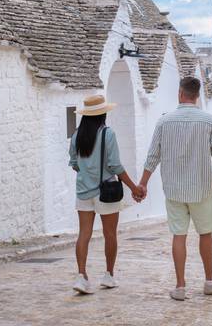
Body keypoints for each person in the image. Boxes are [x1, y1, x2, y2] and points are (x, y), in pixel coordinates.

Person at [137, 77, 212, 301]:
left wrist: (142, 184)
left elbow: (152, 157)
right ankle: (209, 280)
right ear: (197, 96)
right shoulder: (211, 121)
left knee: (179, 235)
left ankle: (179, 286)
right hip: (202, 188)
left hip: (174, 188)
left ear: (180, 93)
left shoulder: (164, 122)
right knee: (205, 233)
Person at [69, 95, 145, 294]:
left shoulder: (77, 135)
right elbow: (115, 166)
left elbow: (75, 164)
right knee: (109, 234)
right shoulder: (107, 134)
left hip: (84, 191)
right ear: (102, 113)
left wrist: (88, 173)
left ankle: (81, 275)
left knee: (83, 234)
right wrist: (134, 187)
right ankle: (108, 275)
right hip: (106, 192)